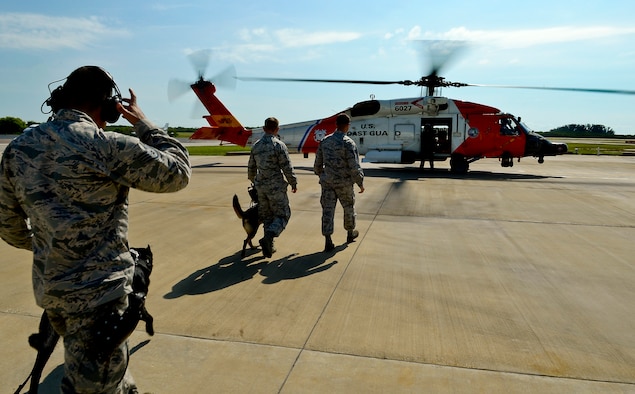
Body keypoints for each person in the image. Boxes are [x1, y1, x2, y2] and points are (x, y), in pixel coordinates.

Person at [0, 66, 191, 393]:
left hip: (53, 294)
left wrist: (51, 246)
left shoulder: (18, 148)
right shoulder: (103, 145)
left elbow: (8, 225)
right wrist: (143, 122)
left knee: (110, 380)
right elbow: (177, 171)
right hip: (99, 301)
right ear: (106, 106)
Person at [314, 113, 364, 252]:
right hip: (344, 183)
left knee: (327, 211)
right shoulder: (348, 143)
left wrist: (323, 175)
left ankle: (328, 240)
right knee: (348, 207)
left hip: (328, 183)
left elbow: (317, 164)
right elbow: (354, 166)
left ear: (336, 125)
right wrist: (360, 182)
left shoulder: (325, 141)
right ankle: (350, 233)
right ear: (347, 125)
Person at [247, 117, 297, 258]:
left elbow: (251, 168)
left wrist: (255, 183)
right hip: (275, 187)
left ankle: (268, 247)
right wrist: (293, 182)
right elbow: (287, 167)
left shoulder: (256, 146)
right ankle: (269, 237)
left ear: (264, 128)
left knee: (267, 216)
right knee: (283, 214)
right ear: (277, 129)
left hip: (261, 187)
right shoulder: (278, 145)